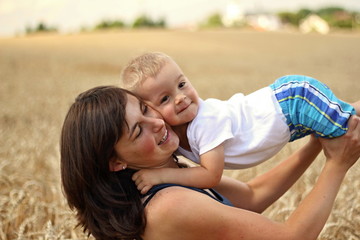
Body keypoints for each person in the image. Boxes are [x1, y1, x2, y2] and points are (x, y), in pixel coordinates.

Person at [60, 85, 360, 240]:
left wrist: (317, 140)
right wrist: (337, 164)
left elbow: (252, 196)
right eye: (138, 131)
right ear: (114, 162)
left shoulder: (166, 177)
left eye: (145, 109)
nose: (157, 123)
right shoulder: (168, 205)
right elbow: (291, 238)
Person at [121, 52, 360, 193]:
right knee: (349, 120)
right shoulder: (173, 135)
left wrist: (161, 177)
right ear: (151, 109)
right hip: (289, 115)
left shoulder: (205, 121)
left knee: (347, 131)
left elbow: (210, 176)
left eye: (182, 84)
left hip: (295, 101)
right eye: (165, 98)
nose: (180, 97)